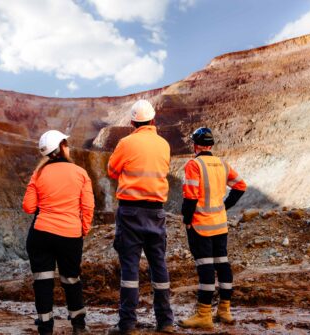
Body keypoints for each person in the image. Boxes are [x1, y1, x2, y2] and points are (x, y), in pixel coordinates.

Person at [106, 100, 174, 334]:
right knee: (159, 266)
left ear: (132, 122)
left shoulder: (126, 142)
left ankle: (127, 325)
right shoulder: (164, 144)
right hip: (156, 210)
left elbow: (112, 171)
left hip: (130, 211)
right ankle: (165, 322)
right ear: (153, 120)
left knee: (130, 269)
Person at [22, 130, 95, 335]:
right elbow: (88, 206)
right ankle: (79, 326)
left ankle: (45, 328)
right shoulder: (79, 172)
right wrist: (84, 229)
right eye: (66, 143)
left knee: (43, 281)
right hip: (70, 235)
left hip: (41, 234)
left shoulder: (38, 174)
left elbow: (28, 207)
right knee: (71, 280)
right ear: (62, 146)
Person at [177, 127, 247, 329]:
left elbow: (190, 195)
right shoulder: (222, 164)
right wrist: (225, 206)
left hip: (201, 225)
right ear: (210, 144)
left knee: (206, 267)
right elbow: (240, 186)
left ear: (195, 145)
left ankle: (204, 315)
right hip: (220, 224)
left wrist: (187, 219)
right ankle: (224, 311)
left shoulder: (194, 164)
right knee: (223, 265)